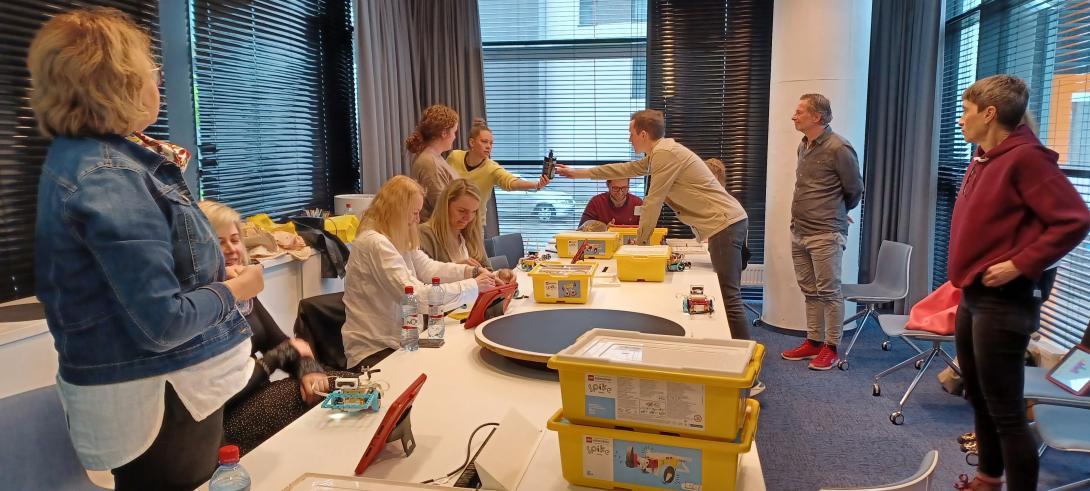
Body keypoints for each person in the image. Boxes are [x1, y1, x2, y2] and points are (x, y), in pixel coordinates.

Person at [29, 8, 264, 490]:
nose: (159, 79)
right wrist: (235, 288)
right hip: (161, 400)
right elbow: (164, 323)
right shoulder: (109, 175)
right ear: (120, 82)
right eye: (151, 70)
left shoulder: (95, 162)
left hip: (163, 393)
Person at [948, 75, 1089, 491]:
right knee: (977, 395)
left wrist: (1019, 264)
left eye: (966, 111)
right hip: (974, 297)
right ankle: (988, 479)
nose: (960, 120)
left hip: (1004, 303)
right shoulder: (987, 156)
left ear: (989, 114)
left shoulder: (1027, 158)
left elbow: (1074, 219)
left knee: (1006, 410)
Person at [557, 110, 751, 342]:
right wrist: (578, 173)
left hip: (724, 224)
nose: (629, 138)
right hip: (724, 224)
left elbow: (652, 201)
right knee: (726, 294)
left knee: (728, 296)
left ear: (643, 133)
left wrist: (639, 246)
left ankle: (746, 361)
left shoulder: (666, 154)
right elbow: (622, 169)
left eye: (631, 133)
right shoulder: (660, 154)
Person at [199, 200, 340, 455]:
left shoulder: (243, 294)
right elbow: (226, 391)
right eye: (220, 243)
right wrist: (277, 358)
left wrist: (309, 370)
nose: (231, 249)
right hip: (225, 421)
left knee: (343, 388)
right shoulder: (201, 306)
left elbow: (283, 342)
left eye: (234, 240)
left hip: (258, 396)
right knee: (337, 406)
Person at [342, 176, 499, 369]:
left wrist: (470, 271)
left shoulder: (393, 236)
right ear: (398, 211)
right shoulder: (375, 242)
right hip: (376, 351)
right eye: (414, 213)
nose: (418, 219)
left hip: (402, 342)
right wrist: (473, 285)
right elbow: (415, 297)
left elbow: (429, 268)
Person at [779, 94, 864, 371]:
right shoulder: (803, 145)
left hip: (825, 233)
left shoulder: (839, 148)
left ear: (817, 117)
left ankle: (831, 347)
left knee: (829, 292)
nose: (794, 116)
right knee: (810, 291)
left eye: (799, 111)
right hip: (800, 230)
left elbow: (855, 189)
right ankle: (814, 342)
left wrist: (837, 212)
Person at [448, 118, 549, 221]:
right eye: (484, 142)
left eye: (491, 143)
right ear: (472, 142)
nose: (488, 147)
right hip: (450, 219)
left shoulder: (492, 168)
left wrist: (536, 184)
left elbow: (511, 182)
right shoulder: (454, 157)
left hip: (473, 223)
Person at [418, 179, 490, 267]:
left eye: (474, 211)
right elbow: (422, 277)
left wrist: (499, 274)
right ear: (445, 206)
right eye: (462, 211)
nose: (468, 218)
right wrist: (458, 270)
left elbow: (488, 270)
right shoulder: (424, 234)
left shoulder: (472, 234)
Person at [408, 104, 460, 221]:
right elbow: (441, 206)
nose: (454, 137)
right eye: (454, 132)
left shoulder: (435, 158)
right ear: (444, 133)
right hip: (434, 235)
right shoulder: (429, 163)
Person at [579, 178, 643, 228]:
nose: (620, 193)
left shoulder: (637, 203)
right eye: (615, 188)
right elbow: (582, 229)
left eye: (624, 188)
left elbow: (647, 229)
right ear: (608, 185)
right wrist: (604, 230)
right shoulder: (596, 202)